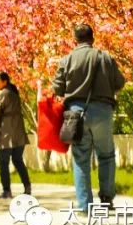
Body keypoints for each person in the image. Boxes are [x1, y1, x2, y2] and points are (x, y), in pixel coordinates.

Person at [53, 24, 126, 210]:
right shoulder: (106, 58)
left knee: (81, 158)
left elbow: (58, 89)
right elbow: (120, 82)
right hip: (103, 111)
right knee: (106, 155)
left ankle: (85, 205)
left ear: (74, 40)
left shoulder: (66, 60)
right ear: (93, 39)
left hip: (76, 114)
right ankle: (107, 199)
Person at [0, 71, 32, 199]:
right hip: (18, 133)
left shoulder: (3, 93)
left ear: (4, 81)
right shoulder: (14, 93)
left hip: (6, 134)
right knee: (18, 160)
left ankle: (6, 191)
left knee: (3, 162)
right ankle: (27, 187)